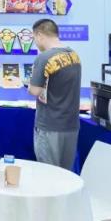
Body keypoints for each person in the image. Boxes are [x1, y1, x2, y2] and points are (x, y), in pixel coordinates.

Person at [27, 18, 82, 170]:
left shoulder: (44, 57)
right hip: (71, 125)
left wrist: (28, 85)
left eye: (34, 38)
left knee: (48, 173)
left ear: (39, 35)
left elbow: (34, 90)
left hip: (50, 125)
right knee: (66, 173)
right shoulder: (74, 55)